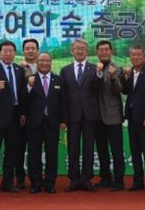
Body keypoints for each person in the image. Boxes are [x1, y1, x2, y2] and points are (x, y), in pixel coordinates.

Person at [0, 40, 26, 195]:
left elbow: (22, 94)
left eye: (11, 51)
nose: (8, 54)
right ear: (0, 53)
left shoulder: (19, 70)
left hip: (15, 116)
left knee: (11, 152)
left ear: (15, 53)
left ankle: (7, 183)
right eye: (5, 51)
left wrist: (22, 113)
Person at [60, 38, 100, 192]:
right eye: (77, 48)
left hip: (90, 115)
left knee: (89, 147)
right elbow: (63, 97)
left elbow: (99, 89)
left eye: (83, 48)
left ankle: (87, 179)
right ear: (72, 51)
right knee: (73, 148)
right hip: (72, 115)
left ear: (87, 51)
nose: (80, 51)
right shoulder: (65, 70)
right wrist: (63, 118)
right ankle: (74, 179)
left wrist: (100, 74)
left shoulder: (95, 68)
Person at [24, 52, 66, 194]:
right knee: (33, 153)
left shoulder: (59, 80)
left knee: (52, 154)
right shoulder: (30, 79)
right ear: (37, 63)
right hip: (34, 123)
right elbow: (23, 99)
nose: (44, 63)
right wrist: (29, 87)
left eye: (47, 61)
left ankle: (50, 182)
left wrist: (63, 120)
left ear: (51, 62)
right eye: (41, 61)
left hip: (52, 122)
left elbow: (63, 102)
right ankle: (35, 182)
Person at [121, 44, 145, 192]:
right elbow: (125, 91)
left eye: (138, 55)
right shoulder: (130, 72)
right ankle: (137, 181)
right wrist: (125, 77)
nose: (135, 57)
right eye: (133, 55)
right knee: (135, 151)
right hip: (132, 118)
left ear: (144, 56)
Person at [94, 40, 126, 191]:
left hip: (113, 116)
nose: (104, 52)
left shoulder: (117, 69)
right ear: (97, 53)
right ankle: (105, 178)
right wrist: (98, 73)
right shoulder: (93, 69)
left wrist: (113, 77)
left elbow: (118, 90)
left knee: (116, 150)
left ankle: (119, 180)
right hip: (96, 117)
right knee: (101, 150)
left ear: (111, 52)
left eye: (107, 50)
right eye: (101, 50)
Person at [14, 38, 39, 189]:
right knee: (19, 148)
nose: (30, 51)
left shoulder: (44, 66)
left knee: (35, 149)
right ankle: (20, 178)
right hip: (21, 115)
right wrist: (22, 112)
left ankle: (36, 178)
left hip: (39, 115)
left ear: (37, 50)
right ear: (23, 51)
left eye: (33, 48)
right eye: (27, 48)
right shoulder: (17, 69)